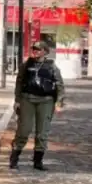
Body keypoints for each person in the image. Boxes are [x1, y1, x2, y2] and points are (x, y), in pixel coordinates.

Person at [11, 41, 64, 171]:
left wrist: (59, 102)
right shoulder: (26, 65)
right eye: (34, 49)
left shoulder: (51, 66)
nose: (35, 51)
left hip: (46, 101)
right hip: (27, 99)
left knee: (42, 132)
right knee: (24, 129)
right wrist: (17, 100)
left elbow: (59, 85)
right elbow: (19, 82)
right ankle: (14, 158)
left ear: (45, 51)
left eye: (38, 49)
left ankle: (38, 160)